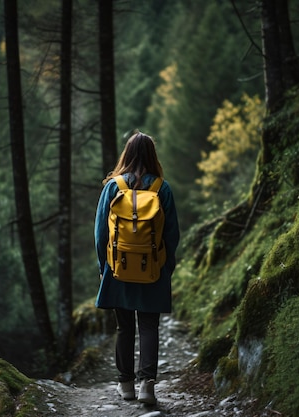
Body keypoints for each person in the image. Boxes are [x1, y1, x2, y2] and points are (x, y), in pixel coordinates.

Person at [94, 131, 180, 405]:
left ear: (126, 155)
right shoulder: (161, 188)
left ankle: (126, 385)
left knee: (124, 328)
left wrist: (103, 266)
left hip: (117, 267)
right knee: (149, 326)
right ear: (152, 155)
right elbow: (172, 234)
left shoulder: (113, 187)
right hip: (152, 267)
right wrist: (167, 266)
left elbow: (99, 235)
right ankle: (147, 387)